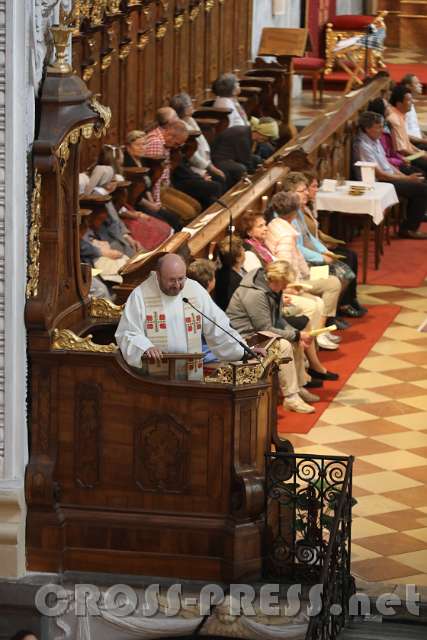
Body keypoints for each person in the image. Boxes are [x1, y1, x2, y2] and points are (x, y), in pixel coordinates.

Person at [116, 254, 252, 372]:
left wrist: (245, 350)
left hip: (192, 371)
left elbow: (218, 326)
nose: (177, 285)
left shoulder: (194, 290)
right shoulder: (140, 295)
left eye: (181, 279)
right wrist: (145, 347)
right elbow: (128, 333)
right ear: (158, 275)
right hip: (154, 376)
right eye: (171, 280)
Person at [227, 260, 323, 413]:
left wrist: (297, 335)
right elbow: (264, 329)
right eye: (283, 283)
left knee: (295, 340)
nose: (285, 287)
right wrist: (296, 334)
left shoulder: (271, 288)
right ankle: (291, 398)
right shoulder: (255, 294)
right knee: (283, 345)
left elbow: (278, 320)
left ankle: (298, 387)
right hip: (243, 339)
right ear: (274, 279)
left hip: (257, 334)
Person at [265, 191, 342, 351]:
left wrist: (307, 272)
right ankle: (318, 336)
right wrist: (292, 285)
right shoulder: (286, 236)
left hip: (300, 275)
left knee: (331, 279)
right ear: (294, 212)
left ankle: (318, 335)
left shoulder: (275, 224)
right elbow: (284, 266)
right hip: (292, 282)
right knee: (330, 287)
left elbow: (298, 258)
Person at [353, 111, 427, 239]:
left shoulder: (373, 139)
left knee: (420, 181)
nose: (382, 131)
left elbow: (386, 163)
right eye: (378, 127)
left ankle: (409, 222)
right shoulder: (362, 146)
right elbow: (380, 175)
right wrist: (407, 179)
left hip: (389, 176)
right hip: (378, 183)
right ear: (367, 128)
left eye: (382, 126)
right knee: (423, 189)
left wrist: (403, 175)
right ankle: (408, 229)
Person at [169, 92, 227, 186]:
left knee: (224, 174)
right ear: (185, 110)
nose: (192, 106)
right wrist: (209, 168)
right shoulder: (182, 127)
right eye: (190, 105)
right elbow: (192, 157)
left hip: (206, 162)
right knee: (218, 181)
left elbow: (202, 142)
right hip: (195, 168)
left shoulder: (190, 120)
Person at [210, 119, 277, 180]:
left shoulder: (249, 132)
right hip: (219, 159)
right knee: (241, 168)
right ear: (261, 133)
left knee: (256, 159)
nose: (265, 141)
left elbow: (248, 156)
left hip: (233, 156)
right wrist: (255, 174)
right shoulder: (243, 136)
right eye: (265, 139)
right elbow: (245, 160)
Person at [387, 84, 427, 174]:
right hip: (404, 158)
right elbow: (402, 149)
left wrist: (421, 153)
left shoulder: (400, 115)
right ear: (399, 104)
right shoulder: (394, 118)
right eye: (409, 100)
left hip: (410, 154)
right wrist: (422, 155)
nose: (412, 102)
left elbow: (407, 143)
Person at [213, 235, 246, 311]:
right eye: (242, 248)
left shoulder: (221, 271)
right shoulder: (236, 282)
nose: (244, 249)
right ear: (238, 258)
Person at [400, 74, 427, 149]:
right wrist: (423, 141)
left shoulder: (410, 103)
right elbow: (405, 135)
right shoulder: (403, 107)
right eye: (417, 83)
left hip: (420, 140)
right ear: (408, 86)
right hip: (413, 144)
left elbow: (416, 127)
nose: (421, 85)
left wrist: (424, 137)